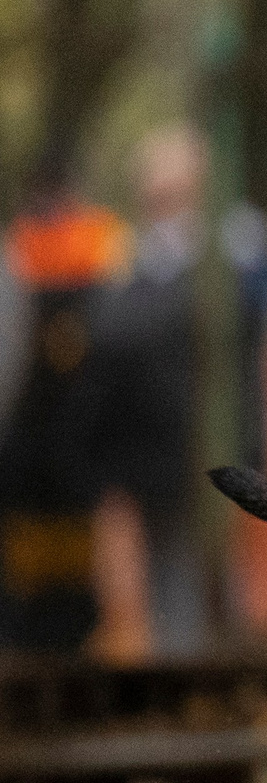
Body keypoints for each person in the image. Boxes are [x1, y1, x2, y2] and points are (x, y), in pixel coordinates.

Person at [92, 125, 224, 656]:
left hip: (184, 457)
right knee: (177, 577)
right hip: (160, 460)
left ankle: (192, 679)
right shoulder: (141, 264)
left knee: (189, 580)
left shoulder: (204, 266)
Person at [0, 155, 128, 654]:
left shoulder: (100, 243)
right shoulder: (25, 248)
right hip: (38, 426)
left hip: (72, 421)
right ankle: (36, 620)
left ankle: (61, 619)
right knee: (33, 527)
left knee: (72, 530)